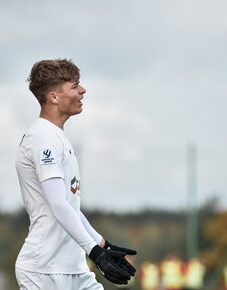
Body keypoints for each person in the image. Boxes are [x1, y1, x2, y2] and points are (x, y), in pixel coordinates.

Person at [14, 59, 137, 290]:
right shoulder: (43, 138)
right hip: (44, 270)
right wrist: (95, 252)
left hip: (73, 267)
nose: (83, 90)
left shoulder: (57, 137)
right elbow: (58, 205)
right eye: (74, 86)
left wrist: (102, 245)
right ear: (53, 97)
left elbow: (70, 207)